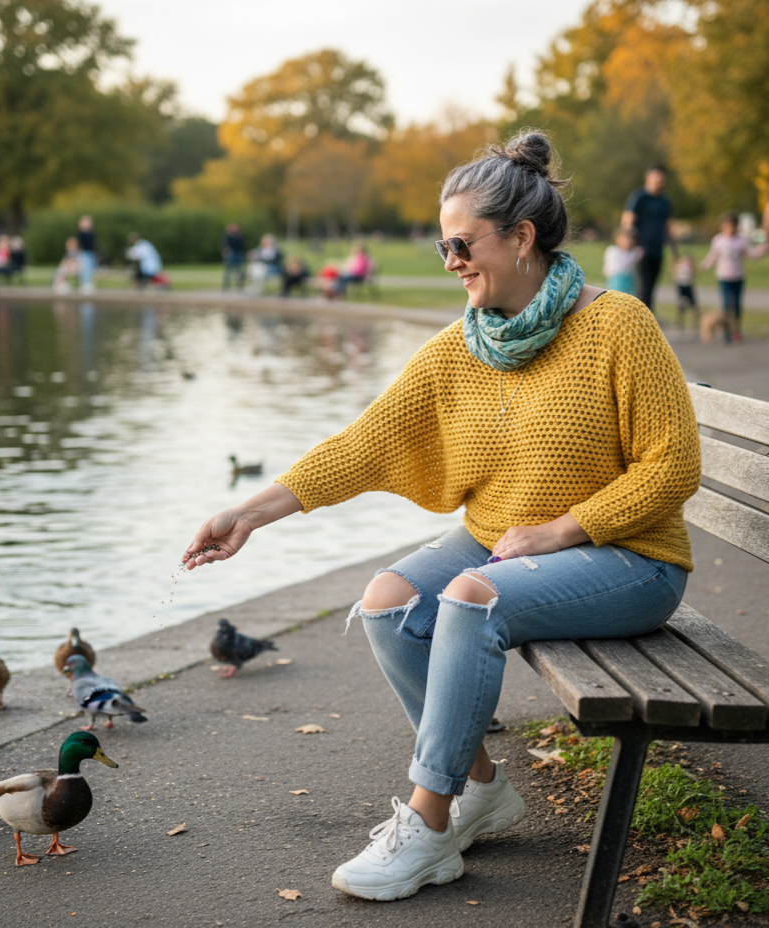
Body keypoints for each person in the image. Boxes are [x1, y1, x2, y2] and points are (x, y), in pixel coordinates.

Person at [182, 132, 701, 903]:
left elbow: (673, 466)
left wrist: (562, 529)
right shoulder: (463, 347)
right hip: (505, 544)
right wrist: (250, 513)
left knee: (469, 595)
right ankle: (481, 789)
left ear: (522, 238)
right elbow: (363, 445)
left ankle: (428, 827)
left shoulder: (618, 326)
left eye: (462, 243)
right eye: (440, 245)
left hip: (630, 559)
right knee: (388, 598)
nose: (451, 260)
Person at [699, 212, 767, 343]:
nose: (730, 228)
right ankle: (726, 332)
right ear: (723, 227)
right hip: (724, 277)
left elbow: (751, 254)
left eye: (733, 226)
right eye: (727, 226)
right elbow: (712, 256)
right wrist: (704, 266)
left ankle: (736, 330)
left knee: (736, 305)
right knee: (726, 305)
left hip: (738, 276)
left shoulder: (741, 240)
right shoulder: (718, 240)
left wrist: (762, 250)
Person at [621, 164, 678, 310]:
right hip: (640, 250)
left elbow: (667, 227)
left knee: (651, 287)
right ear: (648, 177)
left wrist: (674, 253)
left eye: (662, 178)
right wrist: (631, 244)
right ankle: (640, 318)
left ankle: (648, 317)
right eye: (656, 177)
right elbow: (628, 221)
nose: (660, 181)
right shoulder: (639, 197)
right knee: (641, 288)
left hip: (657, 249)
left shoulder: (665, 201)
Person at [602, 228, 642, 295]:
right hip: (616, 279)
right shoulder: (613, 251)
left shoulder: (633, 253)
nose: (629, 241)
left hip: (628, 280)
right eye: (626, 238)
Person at [672, 254, 699, 330]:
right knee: (682, 305)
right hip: (681, 286)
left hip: (688, 286)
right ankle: (680, 322)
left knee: (693, 305)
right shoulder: (679, 266)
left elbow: (693, 275)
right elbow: (674, 273)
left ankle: (695, 321)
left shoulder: (690, 268)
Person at [221, 223, 246, 291]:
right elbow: (224, 246)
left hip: (238, 254)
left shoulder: (239, 236)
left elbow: (241, 245)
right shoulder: (227, 236)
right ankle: (226, 288)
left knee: (239, 272)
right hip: (231, 254)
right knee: (228, 272)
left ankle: (239, 287)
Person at [77, 215, 98, 294]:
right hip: (84, 252)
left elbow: (94, 243)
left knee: (91, 268)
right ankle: (84, 284)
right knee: (85, 268)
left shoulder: (91, 233)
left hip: (91, 252)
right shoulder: (82, 233)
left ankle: (89, 283)